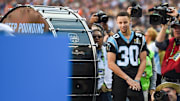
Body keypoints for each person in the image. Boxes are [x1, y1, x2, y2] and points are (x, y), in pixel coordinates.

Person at [107, 11, 147, 101]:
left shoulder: (140, 38)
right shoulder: (113, 40)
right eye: (120, 23)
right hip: (119, 78)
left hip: (135, 76)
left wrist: (137, 79)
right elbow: (111, 63)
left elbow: (143, 60)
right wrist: (127, 79)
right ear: (117, 23)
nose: (123, 25)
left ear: (130, 21)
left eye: (125, 22)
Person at [155, 8, 180, 83]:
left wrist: (177, 16)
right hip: (166, 81)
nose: (177, 30)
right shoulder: (171, 41)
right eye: (175, 28)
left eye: (179, 28)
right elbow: (158, 43)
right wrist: (164, 27)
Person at [91, 23, 112, 101]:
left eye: (99, 37)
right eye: (94, 37)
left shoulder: (108, 50)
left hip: (106, 89)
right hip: (93, 88)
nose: (97, 38)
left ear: (103, 38)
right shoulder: (89, 51)